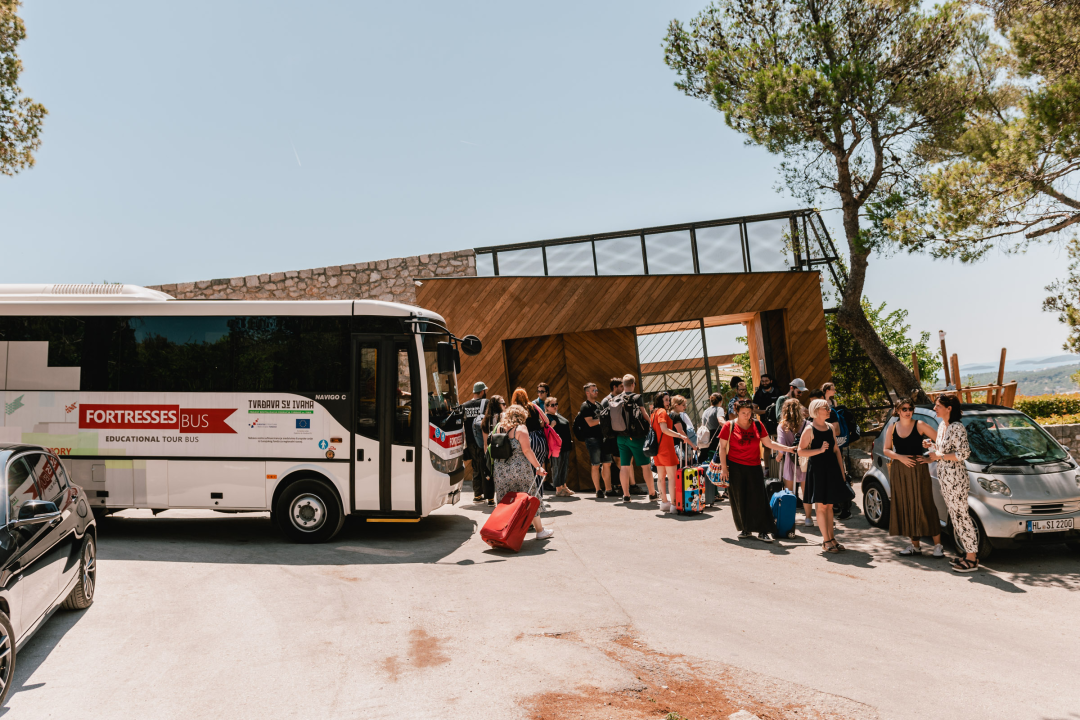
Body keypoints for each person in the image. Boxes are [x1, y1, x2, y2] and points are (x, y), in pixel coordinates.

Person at [717, 399, 795, 542]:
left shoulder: (758, 425)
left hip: (754, 466)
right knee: (740, 499)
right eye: (743, 413)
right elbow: (722, 447)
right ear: (737, 413)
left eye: (749, 412)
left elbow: (769, 443)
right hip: (735, 467)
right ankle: (745, 529)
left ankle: (762, 531)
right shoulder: (729, 426)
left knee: (758, 499)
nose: (747, 415)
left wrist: (788, 449)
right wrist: (724, 468)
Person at [883, 399, 943, 557]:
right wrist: (900, 458)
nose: (908, 411)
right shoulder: (892, 427)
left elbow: (942, 441)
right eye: (904, 409)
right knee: (907, 505)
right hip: (899, 470)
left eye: (910, 408)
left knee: (925, 504)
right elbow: (886, 450)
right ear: (898, 410)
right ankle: (915, 546)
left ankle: (938, 546)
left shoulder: (920, 425)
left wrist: (931, 456)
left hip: (919, 470)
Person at [925, 395, 978, 572]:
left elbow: (963, 454)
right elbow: (942, 451)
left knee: (962, 516)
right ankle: (966, 552)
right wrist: (931, 446)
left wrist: (939, 456)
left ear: (949, 408)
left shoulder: (957, 428)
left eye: (938, 406)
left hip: (956, 479)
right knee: (955, 517)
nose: (935, 408)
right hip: (945, 478)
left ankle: (972, 558)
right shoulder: (942, 426)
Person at [491, 404, 554, 540]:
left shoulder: (499, 428)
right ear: (522, 416)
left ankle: (504, 532)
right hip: (520, 470)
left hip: (501, 470)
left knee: (505, 502)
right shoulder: (521, 429)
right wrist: (538, 467)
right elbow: (527, 450)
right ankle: (540, 531)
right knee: (528, 499)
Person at [798, 398, 849, 554]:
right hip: (818, 470)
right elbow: (800, 451)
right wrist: (819, 450)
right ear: (816, 410)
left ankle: (832, 538)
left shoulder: (829, 427)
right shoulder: (809, 429)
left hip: (832, 469)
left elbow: (836, 450)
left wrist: (842, 472)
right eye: (826, 408)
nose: (829, 410)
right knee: (820, 506)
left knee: (829, 505)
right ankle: (826, 541)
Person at [615, 374, 656, 503]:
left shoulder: (616, 398)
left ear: (623, 385)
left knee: (625, 466)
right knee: (645, 466)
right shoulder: (637, 397)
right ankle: (652, 494)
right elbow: (643, 414)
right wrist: (651, 425)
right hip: (636, 437)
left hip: (621, 437)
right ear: (633, 384)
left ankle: (626, 495)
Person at [776, 398, 812, 526]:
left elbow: (781, 444)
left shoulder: (782, 426)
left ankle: (789, 518)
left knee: (788, 491)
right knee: (806, 490)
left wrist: (779, 456)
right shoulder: (807, 424)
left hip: (790, 461)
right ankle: (808, 518)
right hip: (805, 460)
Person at [651, 392, 688, 512]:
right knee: (672, 477)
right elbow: (664, 429)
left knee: (661, 478)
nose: (668, 402)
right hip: (666, 447)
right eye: (666, 400)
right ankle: (673, 504)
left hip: (657, 449)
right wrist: (679, 435)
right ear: (660, 401)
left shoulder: (654, 413)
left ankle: (664, 502)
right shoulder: (662, 412)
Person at [576, 382, 613, 499]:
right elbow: (591, 423)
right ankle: (598, 490)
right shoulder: (585, 406)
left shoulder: (598, 404)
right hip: (592, 439)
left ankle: (609, 489)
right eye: (593, 390)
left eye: (596, 390)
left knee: (607, 463)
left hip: (603, 438)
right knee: (596, 464)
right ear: (587, 392)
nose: (596, 392)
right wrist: (603, 419)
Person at [512, 388, 550, 497]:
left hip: (527, 440)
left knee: (529, 471)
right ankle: (539, 499)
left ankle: (530, 499)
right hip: (540, 440)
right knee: (539, 469)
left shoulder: (515, 410)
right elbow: (546, 421)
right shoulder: (534, 406)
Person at [461, 381, 489, 502]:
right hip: (483, 439)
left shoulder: (464, 405)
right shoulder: (486, 403)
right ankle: (488, 494)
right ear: (482, 391)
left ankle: (477, 494)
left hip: (471, 441)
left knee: (476, 466)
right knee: (485, 465)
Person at [544, 396, 575, 497]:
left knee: (564, 466)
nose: (555, 406)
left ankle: (564, 486)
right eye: (552, 405)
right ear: (547, 407)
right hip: (555, 447)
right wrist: (551, 426)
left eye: (556, 404)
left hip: (565, 445)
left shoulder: (558, 415)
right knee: (556, 467)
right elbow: (544, 432)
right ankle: (558, 489)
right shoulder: (547, 417)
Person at [479, 395, 506, 505]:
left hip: (491, 451)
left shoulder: (485, 419)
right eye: (503, 403)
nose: (505, 405)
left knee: (491, 474)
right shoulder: (503, 417)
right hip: (502, 450)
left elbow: (485, 443)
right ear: (497, 405)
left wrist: (487, 457)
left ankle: (490, 499)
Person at [601, 377, 625, 493]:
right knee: (613, 462)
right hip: (611, 437)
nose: (623, 388)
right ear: (614, 387)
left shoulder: (621, 399)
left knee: (620, 460)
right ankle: (614, 486)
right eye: (621, 386)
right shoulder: (606, 401)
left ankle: (621, 485)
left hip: (620, 435)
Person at [669, 395, 698, 465]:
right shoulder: (676, 416)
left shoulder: (670, 414)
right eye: (683, 405)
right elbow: (681, 431)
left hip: (675, 445)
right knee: (682, 468)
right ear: (676, 405)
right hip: (679, 446)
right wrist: (692, 445)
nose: (685, 407)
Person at [699, 392, 725, 462]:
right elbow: (721, 421)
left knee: (707, 460)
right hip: (716, 438)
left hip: (706, 438)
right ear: (720, 401)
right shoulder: (719, 409)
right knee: (716, 460)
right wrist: (731, 426)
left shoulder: (705, 411)